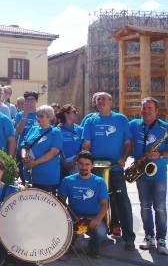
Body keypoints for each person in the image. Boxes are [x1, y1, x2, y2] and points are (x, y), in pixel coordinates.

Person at [82, 92, 135, 250]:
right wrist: (87, 159)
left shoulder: (121, 119)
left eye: (105, 99)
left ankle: (129, 238)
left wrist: (124, 158)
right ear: (95, 103)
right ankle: (99, 235)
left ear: (111, 102)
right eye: (99, 99)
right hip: (96, 171)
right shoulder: (90, 121)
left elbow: (128, 142)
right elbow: (86, 143)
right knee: (97, 203)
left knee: (122, 202)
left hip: (116, 169)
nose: (102, 101)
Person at [130, 97, 168, 254]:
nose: (145, 111)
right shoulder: (134, 125)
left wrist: (160, 154)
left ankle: (161, 240)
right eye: (143, 108)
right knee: (145, 207)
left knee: (159, 207)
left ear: (157, 111)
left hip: (158, 174)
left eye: (149, 108)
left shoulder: (165, 128)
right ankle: (149, 237)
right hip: (141, 174)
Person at [58, 151, 109, 258]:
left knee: (100, 233)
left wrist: (97, 219)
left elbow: (105, 205)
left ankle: (92, 246)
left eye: (87, 164)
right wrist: (66, 221)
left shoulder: (99, 182)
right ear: (76, 164)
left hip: (93, 218)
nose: (84, 167)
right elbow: (61, 203)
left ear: (92, 166)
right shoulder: (67, 180)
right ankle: (71, 241)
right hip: (74, 217)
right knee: (65, 236)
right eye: (81, 164)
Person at [21, 105, 62, 193]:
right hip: (30, 174)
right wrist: (24, 156)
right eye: (37, 115)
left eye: (41, 116)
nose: (38, 118)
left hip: (48, 176)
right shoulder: (33, 129)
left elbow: (53, 152)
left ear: (49, 117)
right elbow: (24, 146)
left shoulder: (55, 132)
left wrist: (34, 163)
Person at [57, 104, 83, 176]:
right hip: (60, 165)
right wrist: (64, 162)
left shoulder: (80, 130)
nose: (76, 113)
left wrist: (74, 160)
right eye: (74, 111)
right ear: (66, 114)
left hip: (76, 164)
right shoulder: (57, 130)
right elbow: (56, 147)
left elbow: (84, 147)